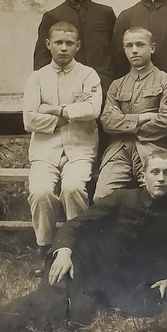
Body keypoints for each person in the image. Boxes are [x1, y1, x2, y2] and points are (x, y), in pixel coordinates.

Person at [0, 151, 167, 332]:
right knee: (55, 299)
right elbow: (76, 224)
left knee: (77, 317)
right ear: (144, 176)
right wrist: (64, 251)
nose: (161, 178)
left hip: (109, 282)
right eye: (155, 172)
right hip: (79, 260)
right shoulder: (122, 198)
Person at [23, 21, 102, 269]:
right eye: (58, 42)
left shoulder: (88, 74)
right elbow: (29, 119)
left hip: (80, 148)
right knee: (40, 191)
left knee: (73, 188)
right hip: (45, 150)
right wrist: (69, 116)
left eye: (69, 43)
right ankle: (46, 248)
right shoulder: (37, 78)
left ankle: (77, 247)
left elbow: (92, 110)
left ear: (77, 46)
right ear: (48, 45)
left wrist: (56, 110)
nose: (64, 48)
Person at [95, 27, 167, 200]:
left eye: (140, 45)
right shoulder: (117, 85)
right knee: (101, 198)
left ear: (152, 48)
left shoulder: (166, 81)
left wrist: (124, 122)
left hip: (153, 148)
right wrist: (141, 118)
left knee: (156, 197)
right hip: (119, 150)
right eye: (129, 46)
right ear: (124, 49)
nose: (134, 50)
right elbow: (107, 122)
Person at [33, 0, 117, 96]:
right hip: (67, 90)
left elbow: (117, 53)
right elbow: (42, 60)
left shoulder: (105, 13)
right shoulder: (53, 16)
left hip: (104, 88)